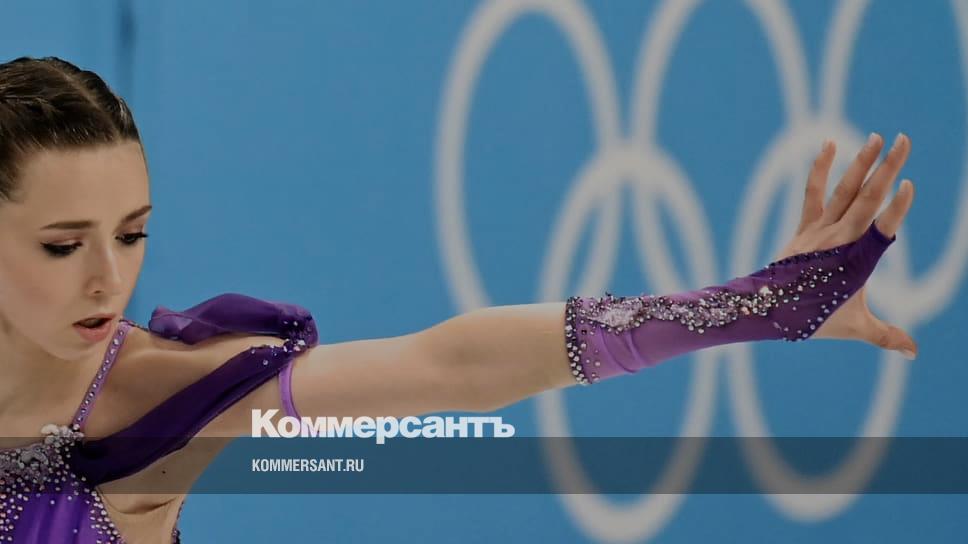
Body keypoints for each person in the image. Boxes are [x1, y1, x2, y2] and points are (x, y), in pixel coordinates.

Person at [0, 56, 918, 543]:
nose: (108, 278)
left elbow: (449, 367)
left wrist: (744, 307)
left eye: (132, 234)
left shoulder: (159, 399)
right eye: (62, 245)